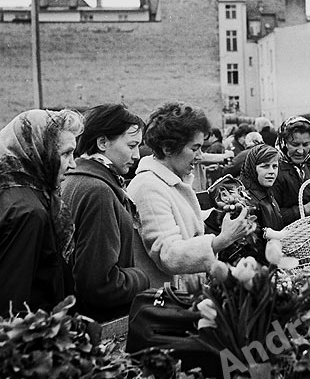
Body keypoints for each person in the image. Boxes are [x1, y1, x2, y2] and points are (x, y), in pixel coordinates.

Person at [127, 102, 254, 289]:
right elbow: (168, 254)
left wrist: (217, 216)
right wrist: (221, 240)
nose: (200, 156)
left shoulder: (169, 180)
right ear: (168, 148)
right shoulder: (148, 187)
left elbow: (179, 221)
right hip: (165, 303)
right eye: (195, 149)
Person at [61, 104, 151, 322]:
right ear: (102, 143)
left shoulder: (78, 178)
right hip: (100, 323)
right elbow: (99, 286)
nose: (137, 155)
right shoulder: (98, 191)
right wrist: (141, 277)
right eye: (131, 145)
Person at [0, 108, 83, 317]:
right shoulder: (28, 212)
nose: (73, 164)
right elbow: (11, 307)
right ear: (37, 151)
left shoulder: (14, 193)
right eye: (65, 154)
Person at [272, 116, 310, 226]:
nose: (300, 151)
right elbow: (271, 216)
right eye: (294, 144)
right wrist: (307, 208)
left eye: (305, 144)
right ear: (283, 143)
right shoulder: (274, 168)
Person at [237, 143, 283, 262]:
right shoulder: (246, 201)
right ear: (253, 169)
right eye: (265, 166)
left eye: (275, 166)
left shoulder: (268, 193)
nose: (272, 171)